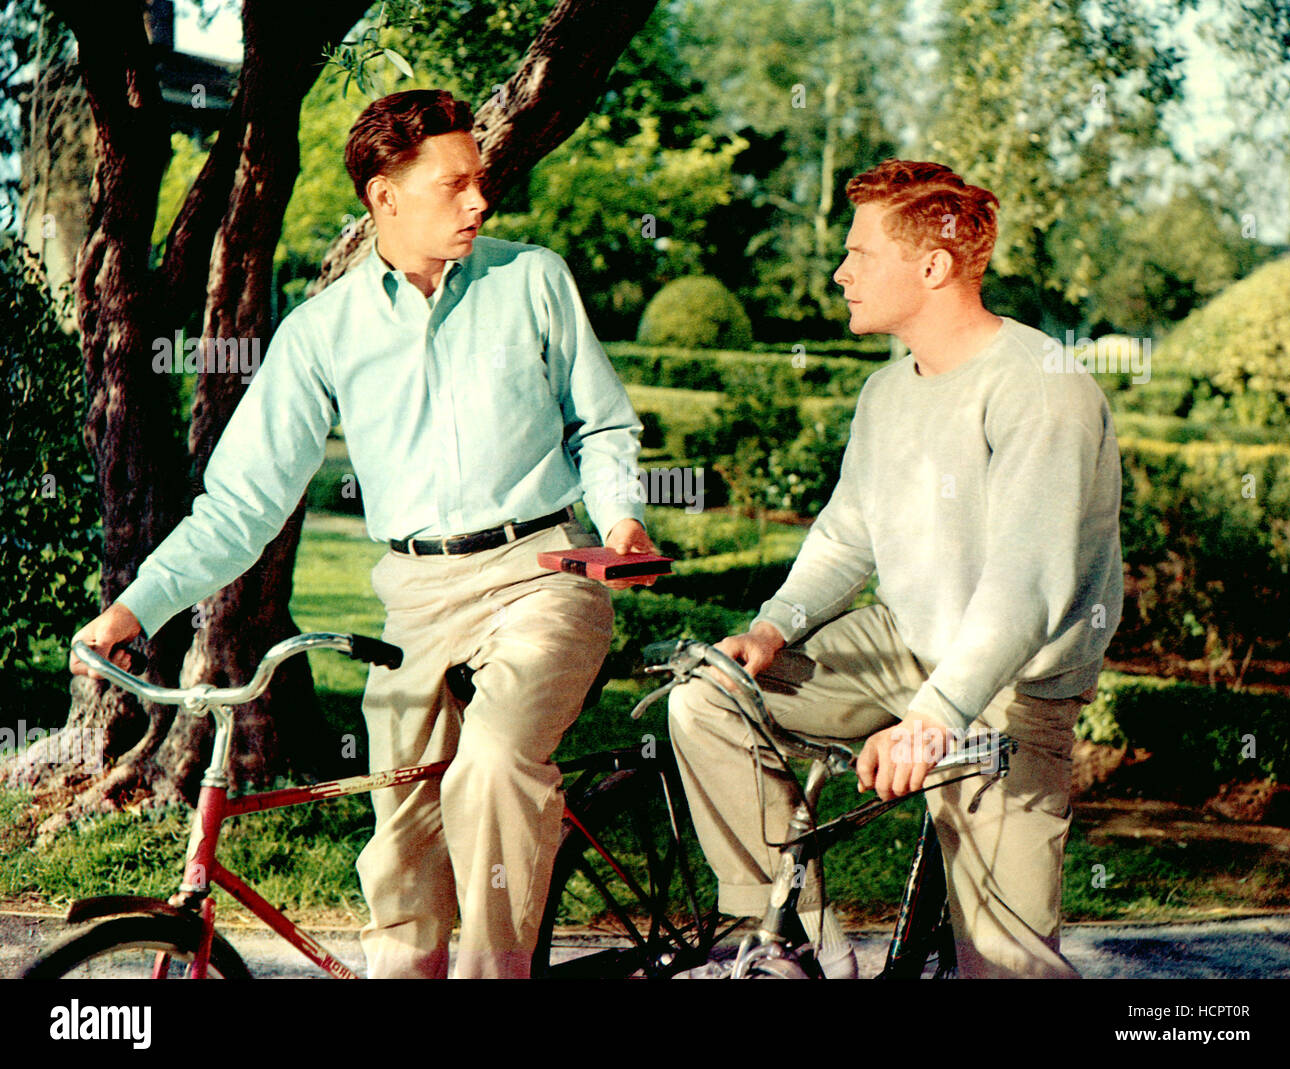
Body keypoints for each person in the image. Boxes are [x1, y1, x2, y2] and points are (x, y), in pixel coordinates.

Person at [69, 89, 657, 979]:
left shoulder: (531, 278)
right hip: (412, 602)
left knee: (493, 764)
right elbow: (240, 503)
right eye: (453, 184)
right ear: (385, 196)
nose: (479, 201)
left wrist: (621, 520)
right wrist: (134, 608)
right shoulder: (322, 332)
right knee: (401, 853)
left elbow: (602, 426)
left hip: (545, 571)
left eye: (479, 182)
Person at [668, 159, 1122, 979]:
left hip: (1010, 687)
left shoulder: (1041, 389)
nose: (841, 272)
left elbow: (1028, 583)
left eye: (860, 253)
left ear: (933, 265)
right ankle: (804, 948)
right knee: (706, 700)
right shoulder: (886, 391)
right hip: (901, 644)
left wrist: (935, 713)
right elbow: (847, 535)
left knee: (1008, 967)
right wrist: (774, 627)